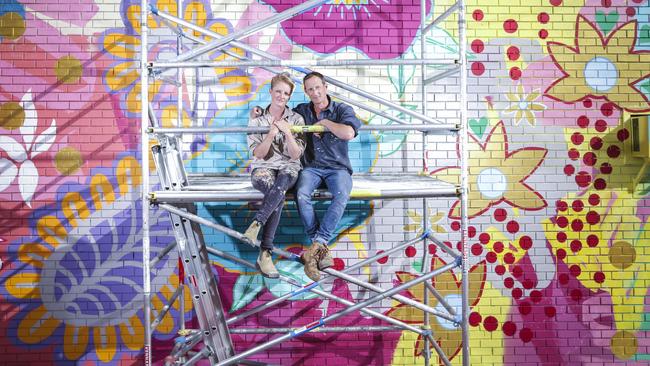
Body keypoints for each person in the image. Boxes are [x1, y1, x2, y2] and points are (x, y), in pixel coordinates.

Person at [294, 72, 361, 281]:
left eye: (318, 88)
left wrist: (325, 124)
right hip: (311, 167)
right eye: (310, 89)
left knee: (342, 193)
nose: (315, 93)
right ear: (306, 91)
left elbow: (348, 133)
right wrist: (258, 113)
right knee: (302, 193)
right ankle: (320, 247)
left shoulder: (341, 109)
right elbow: (279, 118)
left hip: (337, 168)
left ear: (325, 87)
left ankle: (316, 244)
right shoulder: (302, 111)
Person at [244, 72, 306, 278]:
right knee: (275, 195)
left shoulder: (296, 119)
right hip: (264, 166)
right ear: (270, 91)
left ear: (289, 97)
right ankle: (265, 252)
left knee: (281, 184)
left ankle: (256, 224)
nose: (281, 96)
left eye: (286, 93)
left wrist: (288, 132)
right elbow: (258, 154)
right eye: (278, 91)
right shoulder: (257, 119)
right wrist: (270, 134)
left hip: (289, 167)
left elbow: (296, 154)